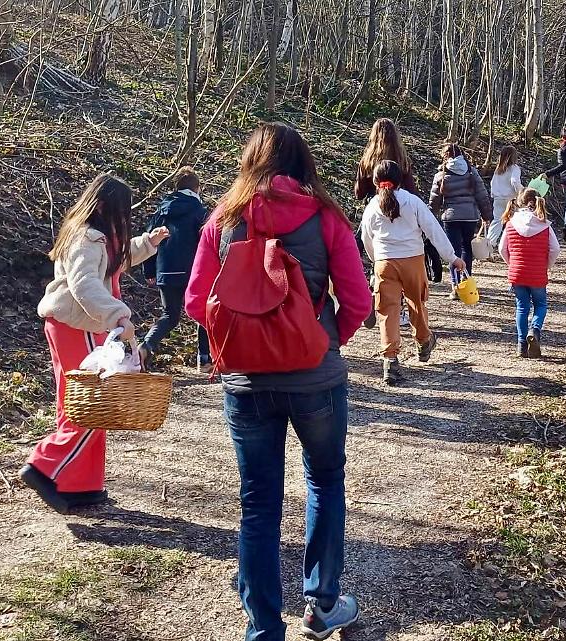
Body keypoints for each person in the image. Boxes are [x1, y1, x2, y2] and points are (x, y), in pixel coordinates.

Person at [185, 122, 371, 641]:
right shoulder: (327, 217)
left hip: (247, 382)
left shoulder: (222, 222)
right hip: (316, 379)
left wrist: (243, 334)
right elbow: (359, 300)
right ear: (302, 164)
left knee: (258, 504)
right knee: (325, 481)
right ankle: (322, 605)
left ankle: (263, 629)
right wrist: (324, 342)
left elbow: (196, 303)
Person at [20, 175, 169, 514]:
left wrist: (148, 242)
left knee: (74, 402)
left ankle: (79, 484)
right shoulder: (86, 239)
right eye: (121, 211)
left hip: (72, 324)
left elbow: (116, 257)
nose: (124, 218)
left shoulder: (95, 237)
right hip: (79, 325)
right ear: (103, 206)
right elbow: (84, 283)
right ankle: (44, 466)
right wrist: (118, 315)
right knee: (91, 405)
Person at [360, 160, 466, 385]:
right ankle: (424, 341)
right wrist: (453, 258)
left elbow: (365, 239)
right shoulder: (412, 201)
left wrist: (375, 259)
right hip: (412, 261)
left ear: (376, 182)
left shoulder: (372, 206)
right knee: (416, 303)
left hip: (384, 262)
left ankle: (390, 360)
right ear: (401, 180)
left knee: (387, 310)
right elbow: (434, 231)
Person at [354, 118, 427, 329]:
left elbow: (358, 194)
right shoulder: (402, 159)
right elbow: (412, 191)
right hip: (401, 214)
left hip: (373, 213)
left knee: (377, 259)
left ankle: (371, 291)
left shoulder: (366, 160)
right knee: (400, 261)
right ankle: (402, 312)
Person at [139, 167, 210, 372]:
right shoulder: (200, 212)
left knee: (169, 315)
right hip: (193, 272)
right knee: (202, 312)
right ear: (197, 188)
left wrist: (150, 271)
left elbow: (149, 241)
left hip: (165, 270)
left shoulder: (161, 212)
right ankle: (203, 359)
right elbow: (206, 243)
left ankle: (146, 345)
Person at [499, 189, 561, 359]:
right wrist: (547, 265)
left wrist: (512, 264)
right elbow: (555, 249)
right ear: (537, 201)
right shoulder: (544, 224)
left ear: (519, 202)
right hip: (537, 274)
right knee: (540, 304)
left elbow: (501, 249)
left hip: (517, 273)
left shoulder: (511, 223)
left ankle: (521, 345)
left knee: (521, 307)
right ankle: (535, 329)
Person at [429, 142, 492, 298]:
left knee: (453, 251)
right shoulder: (472, 172)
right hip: (470, 216)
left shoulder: (441, 175)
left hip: (451, 218)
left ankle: (456, 287)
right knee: (466, 249)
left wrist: (428, 218)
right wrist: (487, 215)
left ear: (446, 156)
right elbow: (482, 195)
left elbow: (434, 201)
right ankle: (466, 281)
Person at [487, 145, 523, 248]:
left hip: (498, 198)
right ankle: (515, 245)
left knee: (497, 222)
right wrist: (521, 191)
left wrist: (494, 194)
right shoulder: (514, 168)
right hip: (511, 199)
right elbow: (515, 181)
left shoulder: (498, 170)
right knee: (515, 222)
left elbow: (492, 183)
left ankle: (489, 245)